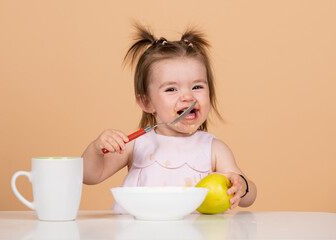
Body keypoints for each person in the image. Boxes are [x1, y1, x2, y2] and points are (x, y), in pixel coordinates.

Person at [82, 24, 257, 212]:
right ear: (147, 102)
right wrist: (96, 149)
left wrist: (241, 187)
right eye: (171, 89)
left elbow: (250, 197)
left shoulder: (213, 149)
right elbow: (89, 175)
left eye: (197, 87)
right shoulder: (137, 145)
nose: (188, 97)